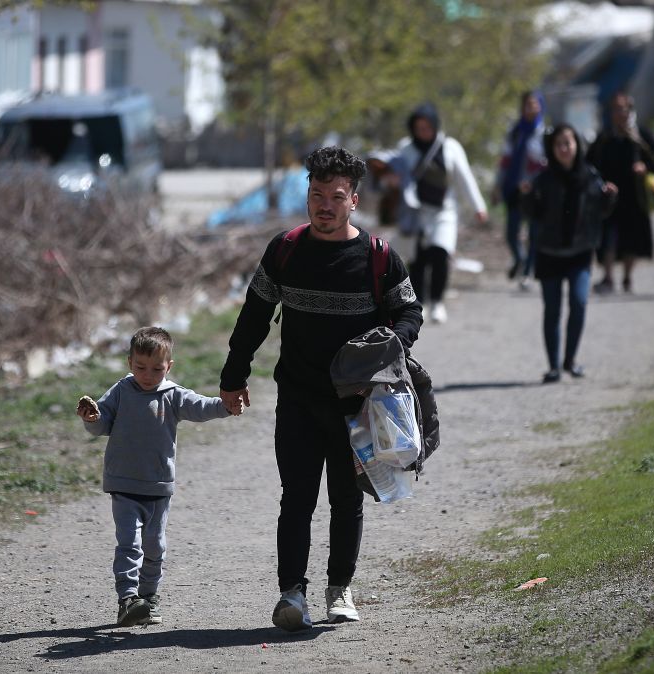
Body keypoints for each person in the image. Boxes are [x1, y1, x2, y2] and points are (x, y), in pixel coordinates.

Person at [217, 146, 423, 632]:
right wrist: (233, 376)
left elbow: (409, 311)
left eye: (335, 196)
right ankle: (291, 595)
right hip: (298, 400)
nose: (324, 206)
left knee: (348, 499)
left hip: (357, 406)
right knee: (297, 498)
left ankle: (339, 590)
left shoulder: (377, 257)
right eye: (316, 195)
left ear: (354, 200)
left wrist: (391, 344)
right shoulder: (285, 250)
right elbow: (253, 318)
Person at [77, 326, 232, 627]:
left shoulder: (172, 395)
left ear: (169, 366)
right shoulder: (121, 390)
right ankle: (127, 599)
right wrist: (92, 418)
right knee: (129, 544)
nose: (147, 375)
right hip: (123, 484)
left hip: (158, 487)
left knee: (155, 546)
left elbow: (200, 406)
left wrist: (226, 406)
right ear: (129, 363)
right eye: (140, 367)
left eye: (157, 369)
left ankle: (148, 599)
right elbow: (102, 423)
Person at [527, 124, 617, 383]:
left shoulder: (590, 176)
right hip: (549, 253)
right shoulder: (542, 180)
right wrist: (526, 197)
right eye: (559, 145)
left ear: (577, 145)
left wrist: (610, 197)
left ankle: (571, 361)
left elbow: (601, 212)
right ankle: (554, 366)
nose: (564, 149)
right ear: (551, 149)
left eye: (568, 143)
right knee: (552, 310)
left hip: (580, 253)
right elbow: (532, 213)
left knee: (579, 303)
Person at [392, 103, 488, 324]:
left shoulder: (450, 147)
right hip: (417, 212)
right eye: (419, 127)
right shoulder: (405, 148)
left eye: (427, 127)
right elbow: (395, 176)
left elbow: (465, 178)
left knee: (440, 254)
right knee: (418, 259)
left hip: (444, 211)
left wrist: (478, 207)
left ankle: (437, 302)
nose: (423, 131)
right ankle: (420, 303)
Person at [588, 92, 654, 294]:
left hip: (634, 196)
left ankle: (627, 277)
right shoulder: (605, 136)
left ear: (630, 111)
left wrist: (645, 167)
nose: (619, 113)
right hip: (610, 196)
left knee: (632, 240)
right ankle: (608, 278)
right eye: (615, 108)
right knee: (608, 239)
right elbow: (590, 162)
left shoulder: (639, 135)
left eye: (623, 108)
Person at [492, 90, 548, 289]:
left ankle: (527, 273)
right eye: (527, 104)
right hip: (514, 189)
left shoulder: (545, 134)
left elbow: (546, 165)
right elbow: (505, 161)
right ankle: (520, 258)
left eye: (535, 104)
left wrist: (534, 182)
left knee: (534, 234)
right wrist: (497, 185)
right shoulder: (515, 132)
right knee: (511, 233)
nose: (531, 108)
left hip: (536, 193)